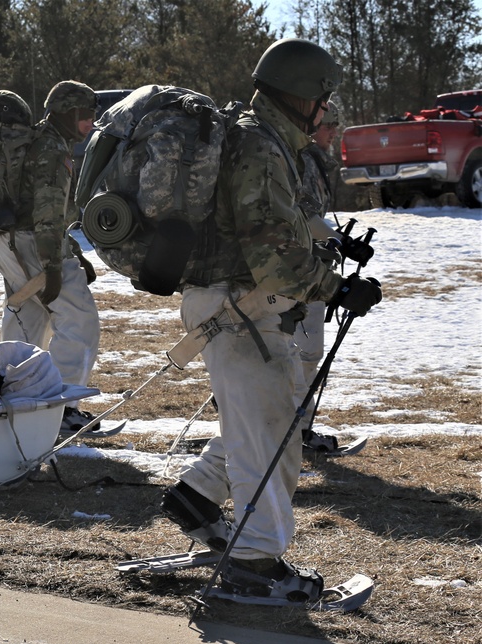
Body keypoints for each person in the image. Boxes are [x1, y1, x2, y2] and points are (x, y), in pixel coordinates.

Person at [160, 39, 382, 603]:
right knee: (273, 435)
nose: (326, 111)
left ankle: (201, 503)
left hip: (234, 305)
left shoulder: (260, 139)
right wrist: (337, 286)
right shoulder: (259, 147)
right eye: (322, 99)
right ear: (303, 96)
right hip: (238, 308)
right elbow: (273, 257)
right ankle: (254, 565)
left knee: (260, 426)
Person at [0, 80, 102, 436]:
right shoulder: (53, 148)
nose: (90, 124)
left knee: (28, 321)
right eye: (85, 116)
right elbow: (48, 210)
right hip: (35, 246)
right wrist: (55, 263)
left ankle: (15, 402)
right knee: (81, 322)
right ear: (67, 114)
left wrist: (68, 250)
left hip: (9, 244)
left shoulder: (35, 142)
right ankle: (63, 410)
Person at [296, 99, 344, 452]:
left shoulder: (308, 160)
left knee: (303, 353)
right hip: (301, 274)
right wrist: (334, 239)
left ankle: (295, 426)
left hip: (306, 271)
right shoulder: (305, 162)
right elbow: (303, 216)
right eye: (329, 127)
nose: (333, 134)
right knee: (304, 353)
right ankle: (295, 429)